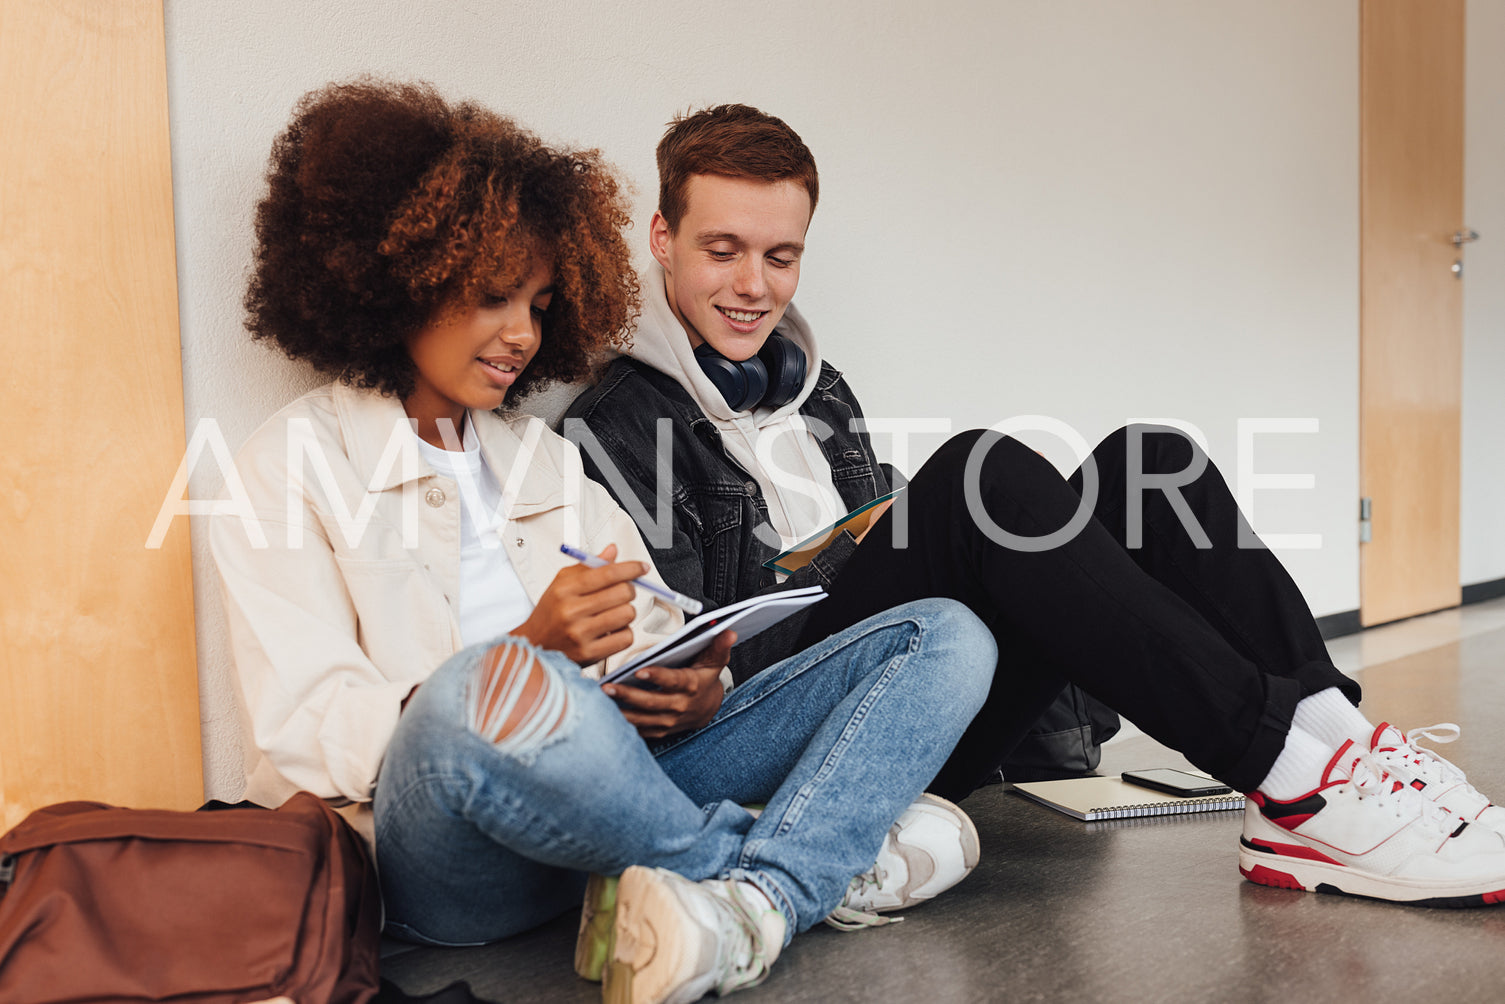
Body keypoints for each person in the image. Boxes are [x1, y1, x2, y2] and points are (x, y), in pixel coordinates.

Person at [562, 102, 1505, 908]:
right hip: (793, 744)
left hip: (927, 685)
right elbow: (676, 667)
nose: (753, 286)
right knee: (987, 471)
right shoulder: (617, 426)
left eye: (780, 255)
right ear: (660, 238)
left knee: (1150, 464)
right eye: (722, 251)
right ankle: (1300, 784)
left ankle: (1339, 750)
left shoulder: (822, 390)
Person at [211, 81, 998, 1004]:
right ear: (399, 282)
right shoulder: (290, 464)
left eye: (540, 305)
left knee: (943, 632)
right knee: (483, 684)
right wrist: (531, 655)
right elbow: (308, 735)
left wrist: (695, 690)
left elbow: (652, 624)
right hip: (449, 856)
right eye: (493, 298)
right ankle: (785, 871)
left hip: (624, 782)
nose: (521, 336)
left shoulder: (540, 457)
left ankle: (743, 905)